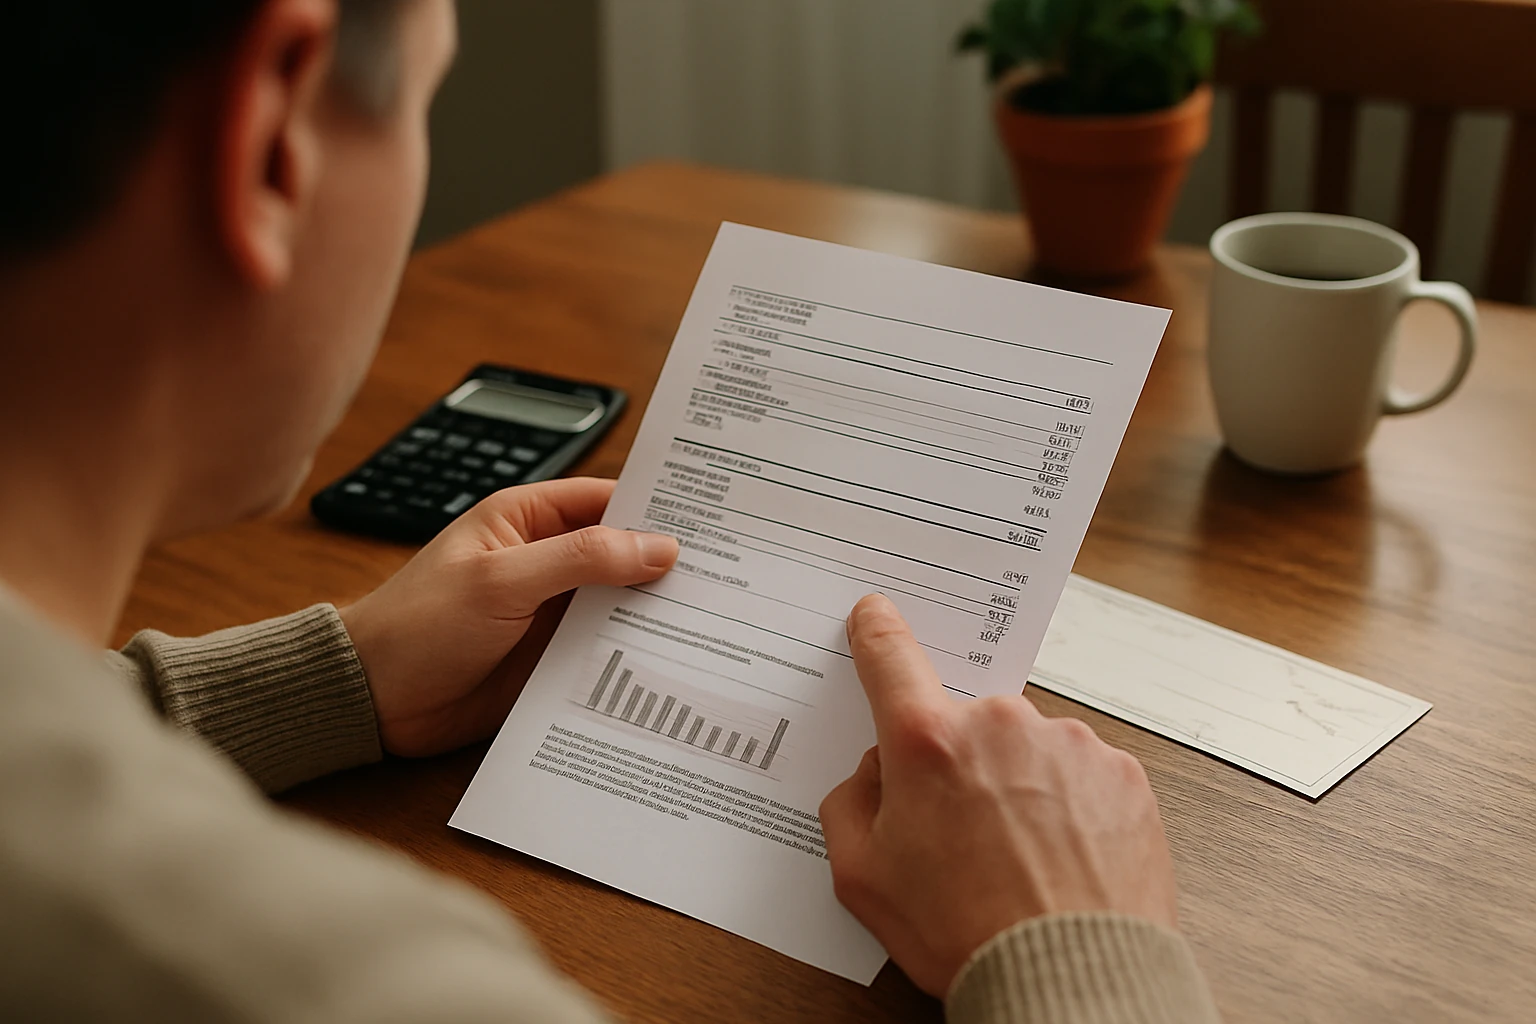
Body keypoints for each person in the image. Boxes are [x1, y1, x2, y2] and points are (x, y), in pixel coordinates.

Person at [0, 1, 1220, 1021]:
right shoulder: (349, 984)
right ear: (273, 136)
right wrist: (1079, 949)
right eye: (433, 98)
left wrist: (335, 677)